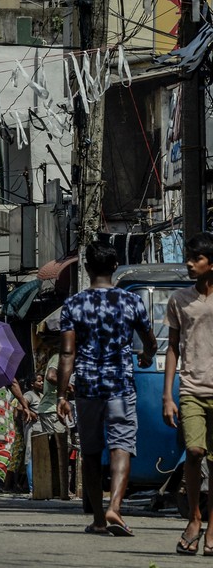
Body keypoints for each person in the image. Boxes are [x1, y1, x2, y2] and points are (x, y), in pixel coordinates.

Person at [58, 241, 155, 537]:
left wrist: (62, 394)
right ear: (115, 267)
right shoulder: (131, 302)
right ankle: (115, 506)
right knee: (122, 445)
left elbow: (67, 353)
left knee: (90, 451)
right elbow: (148, 339)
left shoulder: (73, 305)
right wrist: (148, 354)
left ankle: (99, 518)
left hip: (87, 386)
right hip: (120, 386)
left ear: (86, 268)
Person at [162, 233, 213, 554]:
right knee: (194, 452)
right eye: (189, 258)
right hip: (191, 389)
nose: (190, 264)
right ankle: (194, 516)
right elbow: (171, 347)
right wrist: (168, 395)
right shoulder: (178, 300)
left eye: (197, 259)